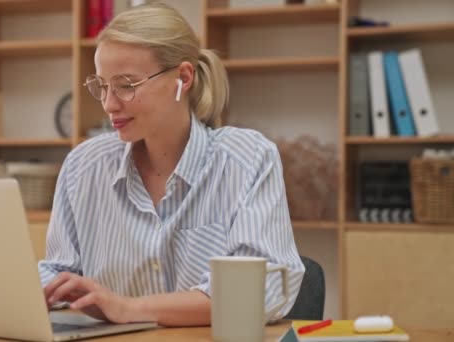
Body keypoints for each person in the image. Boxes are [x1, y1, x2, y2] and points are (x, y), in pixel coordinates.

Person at [38, 2, 304, 327]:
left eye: (126, 85)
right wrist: (42, 291)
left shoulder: (247, 159)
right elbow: (57, 270)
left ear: (183, 77)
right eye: (102, 86)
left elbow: (260, 290)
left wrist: (128, 308)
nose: (109, 104)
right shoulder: (83, 166)